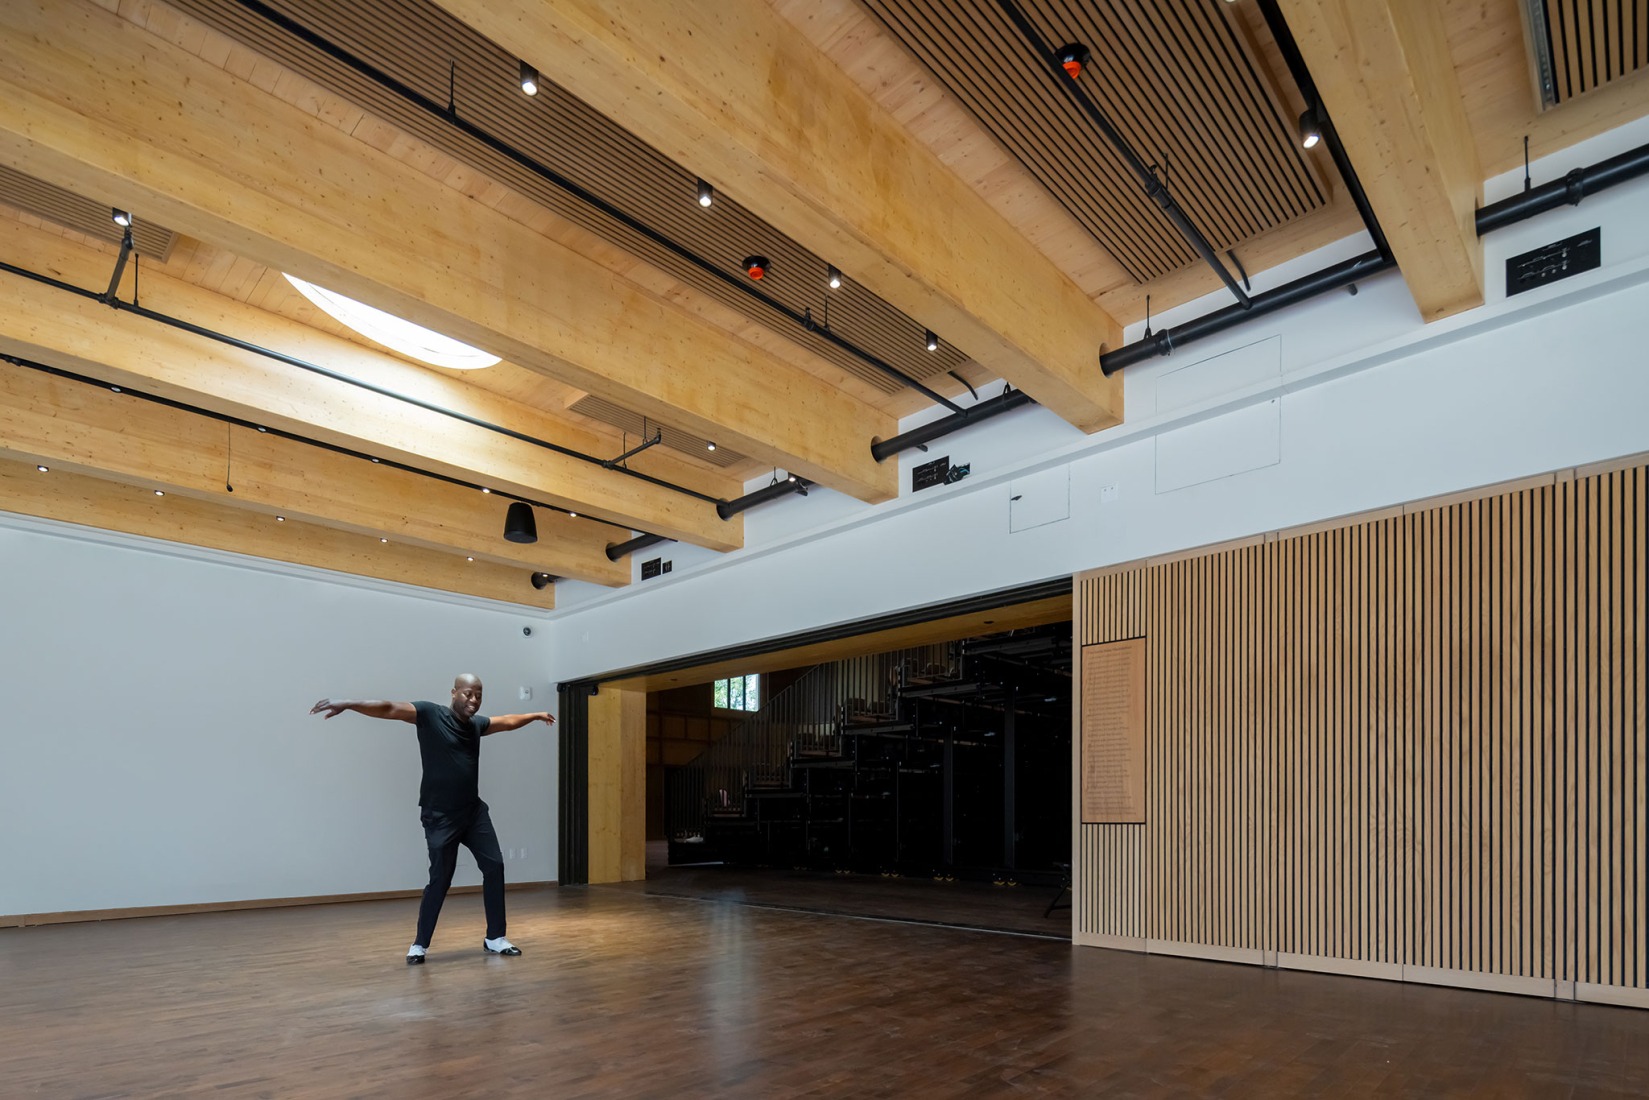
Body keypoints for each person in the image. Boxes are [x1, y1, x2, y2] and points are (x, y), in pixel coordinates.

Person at [310, 674, 554, 964]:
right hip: (440, 817)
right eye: (467, 694)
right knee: (440, 880)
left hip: (473, 813)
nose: (473, 701)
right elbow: (388, 708)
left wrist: (535, 714)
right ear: (453, 692)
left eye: (478, 695)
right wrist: (348, 703)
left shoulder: (477, 725)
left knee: (495, 866)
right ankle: (419, 944)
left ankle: (495, 938)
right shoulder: (429, 714)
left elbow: (507, 721)